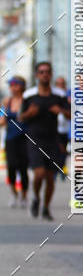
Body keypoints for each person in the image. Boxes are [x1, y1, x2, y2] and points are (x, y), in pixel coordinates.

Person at [19, 61, 70, 220]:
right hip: (35, 139)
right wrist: (29, 113)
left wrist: (60, 111)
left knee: (49, 177)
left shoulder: (59, 95)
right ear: (36, 75)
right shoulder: (29, 95)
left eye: (47, 71)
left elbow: (71, 114)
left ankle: (46, 207)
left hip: (53, 139)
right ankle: (36, 197)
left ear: (51, 74)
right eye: (41, 72)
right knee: (39, 173)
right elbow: (21, 117)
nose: (44, 74)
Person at [0, 76, 29, 208]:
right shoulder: (7, 101)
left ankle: (24, 196)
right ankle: (13, 193)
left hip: (24, 138)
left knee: (23, 168)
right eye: (11, 85)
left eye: (15, 84)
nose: (13, 87)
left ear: (22, 86)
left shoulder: (27, 101)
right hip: (10, 139)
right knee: (11, 167)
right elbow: (2, 119)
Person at [53, 75, 70, 179]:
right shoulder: (52, 95)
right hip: (54, 129)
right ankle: (55, 171)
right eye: (58, 84)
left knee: (63, 150)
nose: (60, 86)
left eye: (62, 84)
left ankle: (61, 168)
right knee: (56, 149)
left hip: (65, 129)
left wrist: (62, 110)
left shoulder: (67, 98)